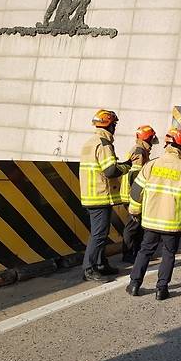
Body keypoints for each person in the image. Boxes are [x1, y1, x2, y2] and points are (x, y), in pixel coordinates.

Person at [126, 129, 181, 300]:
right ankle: (161, 289)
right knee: (169, 254)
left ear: (167, 145)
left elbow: (136, 191)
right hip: (173, 223)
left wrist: (134, 211)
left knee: (145, 251)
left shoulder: (151, 165)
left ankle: (134, 284)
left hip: (151, 221)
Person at [79, 109, 131, 281]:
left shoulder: (90, 142)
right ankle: (90, 268)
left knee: (100, 232)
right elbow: (110, 170)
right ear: (110, 124)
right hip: (99, 196)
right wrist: (127, 166)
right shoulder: (104, 143)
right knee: (99, 234)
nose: (115, 128)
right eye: (114, 124)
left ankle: (101, 264)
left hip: (92, 195)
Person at [121, 125, 158, 263]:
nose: (152, 142)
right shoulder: (140, 152)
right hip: (133, 195)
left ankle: (137, 252)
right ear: (147, 138)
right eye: (151, 139)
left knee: (138, 226)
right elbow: (136, 177)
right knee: (133, 225)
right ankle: (129, 254)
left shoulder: (141, 150)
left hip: (132, 194)